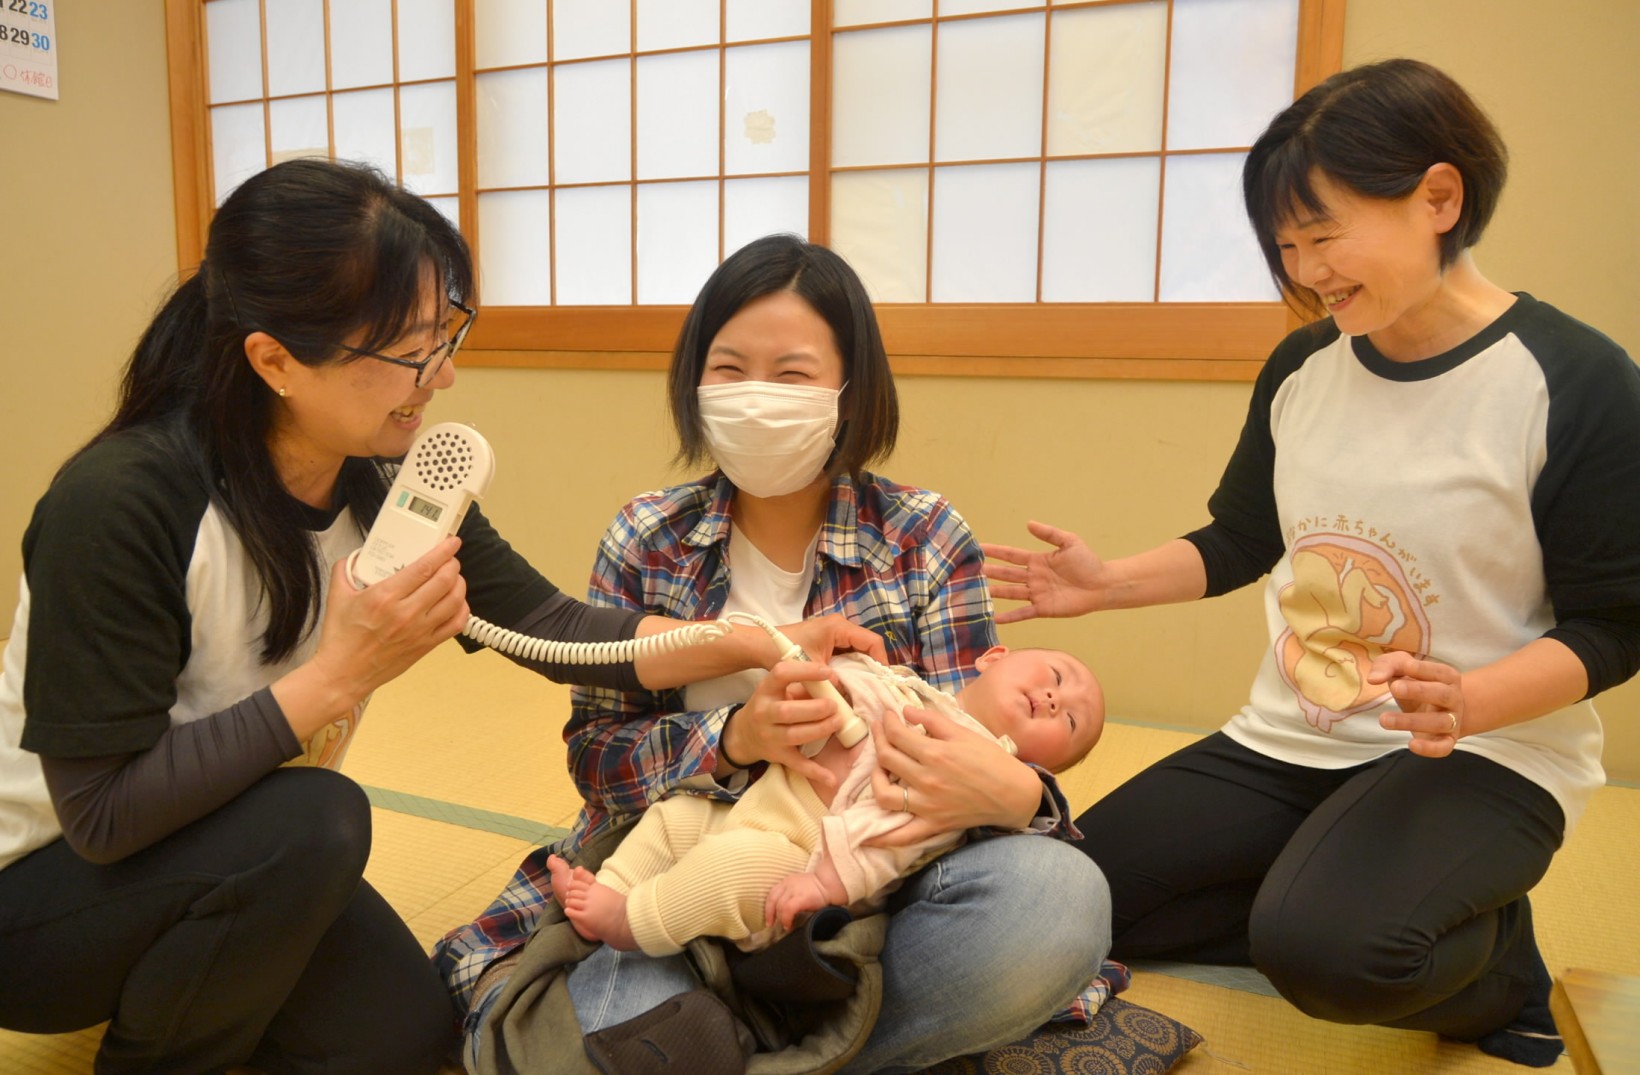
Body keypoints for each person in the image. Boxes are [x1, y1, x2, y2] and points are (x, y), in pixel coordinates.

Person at [0, 159, 875, 1075]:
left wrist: (745, 639)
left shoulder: (386, 475)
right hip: (46, 898)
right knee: (318, 819)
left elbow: (552, 624)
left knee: (410, 1041)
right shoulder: (120, 503)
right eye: (411, 352)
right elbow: (102, 813)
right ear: (275, 360)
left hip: (236, 847)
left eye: (445, 334)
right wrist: (340, 673)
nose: (443, 375)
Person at [982, 58, 1640, 1069]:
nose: (1304, 271)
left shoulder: (1575, 382)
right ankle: (1329, 883)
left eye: (1322, 234)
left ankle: (1496, 963)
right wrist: (1103, 583)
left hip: (1482, 751)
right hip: (1293, 736)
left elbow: (1614, 623)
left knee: (1327, 955)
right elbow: (1244, 539)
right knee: (1064, 899)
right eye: (1285, 246)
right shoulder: (1303, 366)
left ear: (1437, 197)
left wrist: (1471, 697)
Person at [437, 234, 1112, 1073]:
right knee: (599, 1024)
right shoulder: (650, 536)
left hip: (848, 915)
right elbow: (598, 765)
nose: (757, 398)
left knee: (1060, 902)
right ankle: (786, 1048)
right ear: (693, 381)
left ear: (850, 392)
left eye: (792, 374)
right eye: (728, 369)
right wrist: (733, 740)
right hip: (672, 884)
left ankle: (732, 1042)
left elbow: (969, 753)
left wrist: (1018, 793)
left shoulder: (923, 536)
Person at [549, 644, 1104, 955]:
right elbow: (844, 679)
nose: (1056, 698)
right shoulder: (905, 685)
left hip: (802, 857)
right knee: (677, 817)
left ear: (1042, 765)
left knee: (732, 865)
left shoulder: (973, 767)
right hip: (753, 804)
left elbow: (892, 841)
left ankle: (633, 921)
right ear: (993, 656)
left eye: (1072, 720)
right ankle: (612, 886)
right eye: (1059, 672)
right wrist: (826, 680)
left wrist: (823, 884)